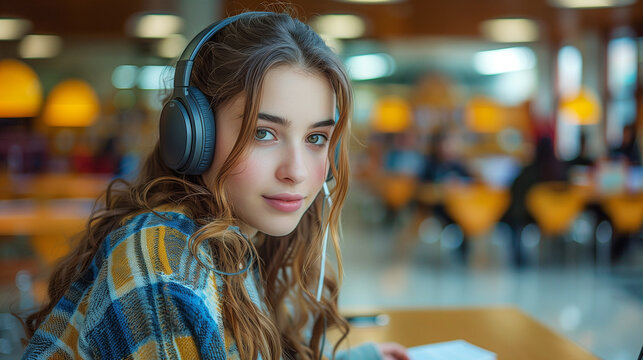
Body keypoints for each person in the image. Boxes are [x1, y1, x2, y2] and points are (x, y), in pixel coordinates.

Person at [21, 11, 409, 360]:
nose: (298, 172)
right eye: (263, 133)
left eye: (315, 138)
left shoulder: (236, 241)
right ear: (192, 136)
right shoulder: (162, 267)